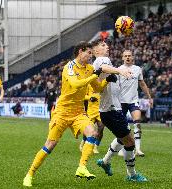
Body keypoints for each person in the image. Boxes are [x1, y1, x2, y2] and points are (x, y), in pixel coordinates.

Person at [23, 41, 109, 187]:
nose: (90, 56)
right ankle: (29, 174)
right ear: (80, 52)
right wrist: (94, 75)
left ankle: (82, 167)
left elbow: (97, 88)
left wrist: (106, 81)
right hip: (62, 112)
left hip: (78, 112)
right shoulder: (69, 67)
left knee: (93, 133)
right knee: (50, 145)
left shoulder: (89, 68)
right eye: (89, 52)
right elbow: (76, 84)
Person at [91, 39, 148, 182]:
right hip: (111, 111)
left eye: (106, 45)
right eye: (103, 45)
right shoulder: (101, 60)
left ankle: (105, 161)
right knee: (129, 142)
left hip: (111, 110)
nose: (107, 47)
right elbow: (103, 68)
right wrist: (120, 70)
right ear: (95, 51)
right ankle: (132, 175)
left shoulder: (106, 61)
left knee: (123, 138)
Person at [118, 50, 153, 157]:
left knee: (137, 122)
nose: (127, 57)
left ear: (132, 57)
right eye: (125, 56)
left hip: (133, 100)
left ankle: (138, 149)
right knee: (121, 127)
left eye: (129, 56)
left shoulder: (137, 69)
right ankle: (121, 147)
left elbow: (142, 84)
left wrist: (149, 97)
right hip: (121, 101)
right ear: (122, 58)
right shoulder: (119, 69)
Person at [79, 84, 105, 154]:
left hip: (100, 111)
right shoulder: (89, 84)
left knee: (101, 128)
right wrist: (90, 98)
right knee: (88, 129)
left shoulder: (103, 83)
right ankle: (82, 144)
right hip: (91, 112)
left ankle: (95, 147)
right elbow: (83, 96)